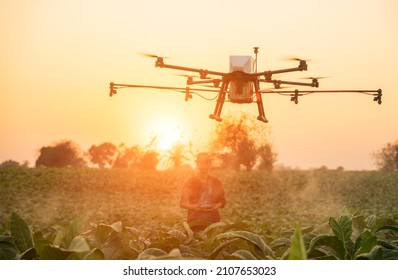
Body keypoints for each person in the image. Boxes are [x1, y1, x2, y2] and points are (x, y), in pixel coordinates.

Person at [180, 152, 225, 231]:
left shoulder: (215, 181)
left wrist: (216, 206)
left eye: (206, 163)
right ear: (197, 165)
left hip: (213, 222)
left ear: (209, 165)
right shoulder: (191, 182)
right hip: (195, 223)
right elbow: (182, 203)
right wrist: (195, 207)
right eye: (200, 163)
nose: (203, 166)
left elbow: (222, 200)